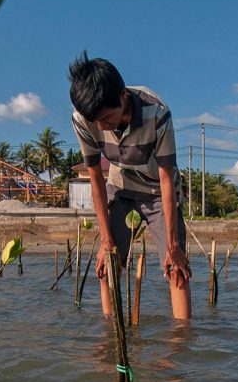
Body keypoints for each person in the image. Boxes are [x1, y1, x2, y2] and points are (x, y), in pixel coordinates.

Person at [68, 52, 191, 320]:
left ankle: (181, 345)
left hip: (160, 191)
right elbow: (96, 178)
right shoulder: (83, 118)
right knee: (107, 264)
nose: (102, 127)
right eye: (95, 121)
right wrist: (106, 240)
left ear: (123, 96)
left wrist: (173, 246)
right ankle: (112, 334)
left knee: (176, 268)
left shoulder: (156, 112)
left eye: (107, 118)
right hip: (120, 188)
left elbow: (167, 178)